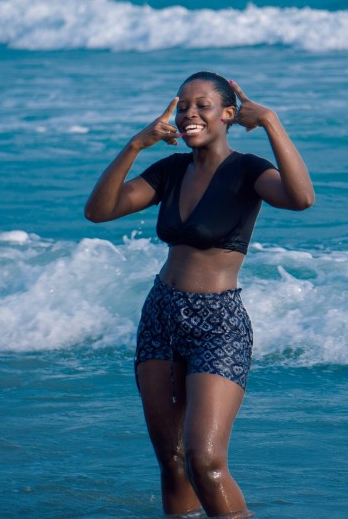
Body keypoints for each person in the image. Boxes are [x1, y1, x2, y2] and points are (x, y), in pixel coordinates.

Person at [84, 71, 314, 518]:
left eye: (202, 105)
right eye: (183, 105)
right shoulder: (170, 171)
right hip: (161, 317)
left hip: (219, 324)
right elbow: (99, 211)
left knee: (205, 462)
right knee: (171, 463)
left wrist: (269, 120)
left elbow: (301, 198)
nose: (189, 113)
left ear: (229, 115)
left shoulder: (248, 171)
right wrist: (135, 145)